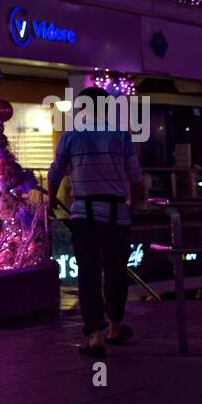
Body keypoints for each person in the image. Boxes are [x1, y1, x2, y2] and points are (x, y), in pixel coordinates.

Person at [47, 86, 144, 358]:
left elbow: (55, 173)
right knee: (116, 270)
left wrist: (51, 200)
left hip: (84, 213)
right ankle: (114, 326)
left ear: (82, 109)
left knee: (88, 273)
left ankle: (95, 335)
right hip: (117, 213)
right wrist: (131, 207)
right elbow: (136, 179)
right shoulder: (120, 135)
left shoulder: (71, 136)